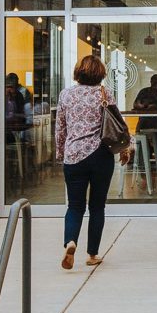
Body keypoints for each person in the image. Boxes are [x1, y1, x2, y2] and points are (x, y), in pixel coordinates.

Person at [54, 55, 130, 270]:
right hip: (100, 155)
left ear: (79, 72)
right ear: (100, 73)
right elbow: (118, 125)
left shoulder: (66, 95)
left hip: (74, 156)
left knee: (75, 206)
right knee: (97, 206)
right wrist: (126, 146)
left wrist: (61, 153)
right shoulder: (104, 94)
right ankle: (92, 254)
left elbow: (60, 128)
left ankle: (70, 241)